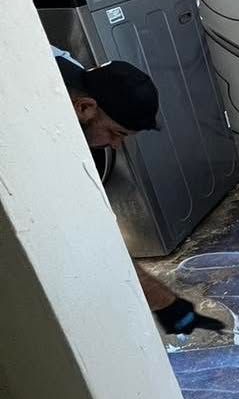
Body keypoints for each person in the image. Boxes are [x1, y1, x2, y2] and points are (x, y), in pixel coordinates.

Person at [54, 50, 225, 336]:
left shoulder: (67, 69)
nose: (116, 144)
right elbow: (98, 245)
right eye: (115, 132)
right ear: (84, 108)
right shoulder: (41, 140)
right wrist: (168, 304)